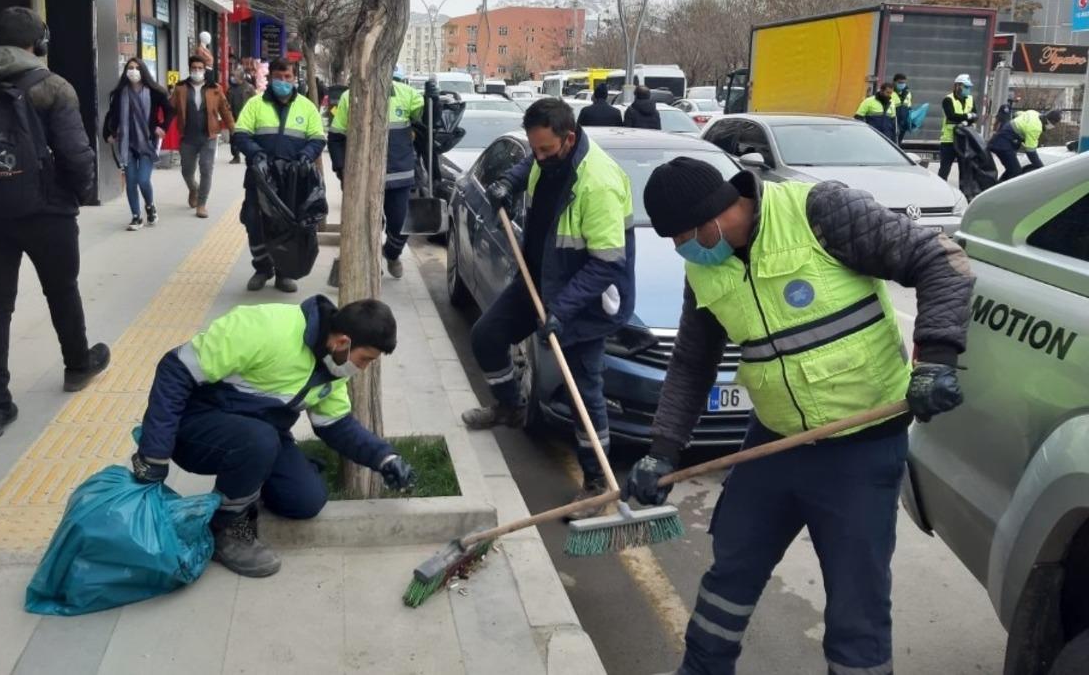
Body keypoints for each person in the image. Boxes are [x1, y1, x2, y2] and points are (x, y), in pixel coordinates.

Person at [627, 157, 973, 675]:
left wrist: (937, 358)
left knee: (858, 604)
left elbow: (941, 260)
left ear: (710, 217)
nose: (682, 249)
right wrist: (662, 450)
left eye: (682, 235)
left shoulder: (820, 211)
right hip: (775, 443)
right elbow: (692, 363)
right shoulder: (705, 267)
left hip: (860, 446)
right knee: (731, 572)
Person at [131, 296, 416, 578]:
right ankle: (227, 528)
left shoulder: (334, 365)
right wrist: (154, 453)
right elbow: (175, 369)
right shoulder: (265, 328)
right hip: (195, 427)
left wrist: (384, 458)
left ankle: (250, 478)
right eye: (365, 359)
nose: (363, 368)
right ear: (343, 342)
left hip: (259, 435)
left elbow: (336, 425)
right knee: (260, 439)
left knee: (306, 500)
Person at [0, 7, 111, 439]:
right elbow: (76, 154)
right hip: (48, 212)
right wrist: (77, 194)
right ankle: (76, 365)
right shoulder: (53, 87)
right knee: (62, 290)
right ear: (39, 44)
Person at [460, 98, 636, 514]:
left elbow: (607, 264)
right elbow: (529, 167)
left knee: (581, 390)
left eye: (544, 150)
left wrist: (563, 310)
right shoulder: (546, 156)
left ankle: (596, 481)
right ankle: (509, 406)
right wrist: (508, 182)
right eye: (533, 149)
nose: (538, 157)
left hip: (586, 299)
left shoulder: (599, 184)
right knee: (487, 336)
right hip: (540, 280)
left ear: (569, 138)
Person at [232, 55, 325, 292]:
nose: (283, 81)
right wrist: (256, 154)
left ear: (295, 78)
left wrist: (305, 155)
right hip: (260, 179)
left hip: (293, 181)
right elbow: (241, 134)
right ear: (270, 78)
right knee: (254, 221)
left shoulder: (307, 107)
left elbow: (317, 138)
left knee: (288, 227)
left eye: (287, 77)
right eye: (278, 77)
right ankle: (262, 267)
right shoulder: (255, 104)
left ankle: (284, 273)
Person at [327, 73, 424, 279]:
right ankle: (370, 264)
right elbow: (336, 138)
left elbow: (427, 120)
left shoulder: (407, 94)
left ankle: (391, 253)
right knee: (368, 225)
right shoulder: (350, 97)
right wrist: (342, 169)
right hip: (362, 177)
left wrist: (435, 103)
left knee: (400, 223)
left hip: (399, 175)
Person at [103, 58, 173, 230]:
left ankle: (150, 206)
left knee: (143, 180)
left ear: (143, 71)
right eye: (130, 68)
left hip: (148, 142)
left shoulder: (156, 91)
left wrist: (162, 127)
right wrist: (108, 133)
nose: (133, 71)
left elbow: (170, 111)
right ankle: (136, 217)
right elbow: (111, 115)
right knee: (131, 181)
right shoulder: (120, 93)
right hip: (126, 143)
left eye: (136, 68)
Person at [171, 55, 234, 219]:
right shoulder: (180, 88)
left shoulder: (215, 89)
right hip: (188, 137)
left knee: (206, 169)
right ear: (190, 69)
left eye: (200, 68)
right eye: (194, 68)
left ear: (205, 70)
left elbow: (225, 111)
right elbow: (170, 108)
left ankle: (202, 204)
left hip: (209, 136)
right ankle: (193, 188)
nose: (197, 71)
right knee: (187, 172)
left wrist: (235, 131)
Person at [988, 108, 1061, 181]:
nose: (1053, 126)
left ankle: (998, 186)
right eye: (1054, 124)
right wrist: (1042, 169)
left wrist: (1016, 129)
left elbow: (1016, 114)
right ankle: (999, 190)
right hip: (1003, 144)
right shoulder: (1036, 128)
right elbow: (1031, 152)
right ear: (1050, 121)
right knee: (1016, 172)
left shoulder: (1033, 113)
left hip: (1003, 137)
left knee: (1012, 169)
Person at [937, 73, 978, 184]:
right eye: (966, 87)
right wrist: (967, 117)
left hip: (964, 139)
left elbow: (975, 116)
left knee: (965, 169)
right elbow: (951, 116)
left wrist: (965, 120)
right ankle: (940, 189)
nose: (968, 89)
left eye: (969, 87)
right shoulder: (948, 100)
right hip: (949, 140)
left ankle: (965, 192)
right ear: (958, 86)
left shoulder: (970, 99)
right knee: (945, 169)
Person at [226, 66, 258, 165]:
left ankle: (251, 154)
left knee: (248, 137)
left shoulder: (249, 88)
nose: (233, 78)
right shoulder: (231, 89)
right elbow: (227, 102)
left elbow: (256, 101)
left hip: (246, 116)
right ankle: (236, 156)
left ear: (240, 77)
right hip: (234, 116)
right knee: (233, 137)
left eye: (234, 76)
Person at [891, 72, 912, 144]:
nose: (902, 84)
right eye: (900, 82)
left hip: (902, 123)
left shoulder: (907, 92)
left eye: (903, 83)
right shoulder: (889, 91)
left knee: (898, 144)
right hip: (892, 122)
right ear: (894, 82)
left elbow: (909, 107)